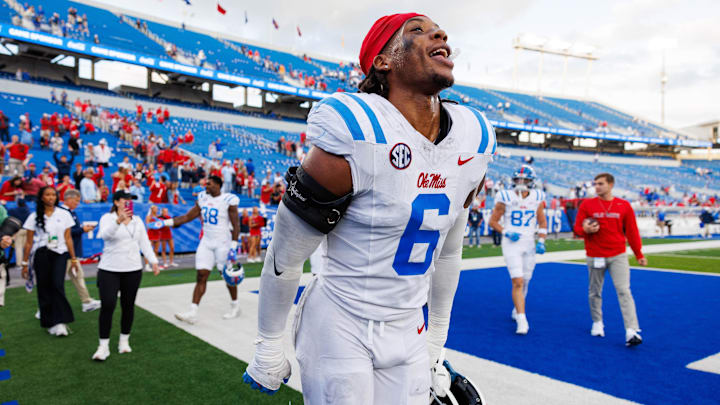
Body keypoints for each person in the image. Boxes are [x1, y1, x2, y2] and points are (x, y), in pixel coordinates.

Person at [243, 13, 495, 404]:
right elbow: (286, 254)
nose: (439, 33)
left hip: (409, 322)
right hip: (341, 321)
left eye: (438, 30)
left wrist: (436, 341)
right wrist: (269, 344)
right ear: (383, 60)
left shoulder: (471, 138)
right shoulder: (357, 131)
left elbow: (449, 252)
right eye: (417, 30)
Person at [152, 176, 241, 323]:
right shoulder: (203, 198)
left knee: (226, 275)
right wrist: (164, 223)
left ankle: (235, 305)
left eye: (209, 184)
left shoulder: (228, 200)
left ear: (218, 185)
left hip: (222, 242)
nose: (206, 186)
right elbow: (187, 217)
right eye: (206, 184)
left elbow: (236, 225)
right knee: (201, 275)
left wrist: (234, 246)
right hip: (206, 241)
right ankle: (192, 311)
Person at [573, 173, 645, 347]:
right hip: (595, 254)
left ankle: (631, 330)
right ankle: (597, 322)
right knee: (595, 291)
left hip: (618, 254)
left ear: (611, 185)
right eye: (595, 184)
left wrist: (639, 254)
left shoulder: (624, 205)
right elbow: (576, 228)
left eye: (601, 184)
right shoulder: (588, 204)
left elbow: (632, 231)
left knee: (624, 291)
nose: (597, 187)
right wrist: (585, 230)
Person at [92, 191, 159, 361]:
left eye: (131, 200)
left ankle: (124, 341)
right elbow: (105, 236)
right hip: (109, 269)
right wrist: (118, 221)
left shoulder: (138, 221)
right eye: (125, 200)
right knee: (108, 305)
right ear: (116, 202)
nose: (129, 203)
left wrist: (153, 261)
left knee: (128, 306)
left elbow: (144, 242)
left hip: (133, 269)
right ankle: (103, 346)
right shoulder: (107, 218)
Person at [488, 165, 547, 335]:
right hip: (511, 243)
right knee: (518, 281)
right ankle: (522, 318)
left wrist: (541, 240)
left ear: (531, 181)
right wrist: (506, 231)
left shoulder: (537, 197)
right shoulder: (504, 196)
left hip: (529, 243)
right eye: (518, 179)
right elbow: (493, 221)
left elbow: (542, 222)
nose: (521, 183)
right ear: (513, 180)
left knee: (526, 279)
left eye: (525, 180)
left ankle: (517, 308)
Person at [21, 186, 80, 336]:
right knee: (44, 287)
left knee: (57, 284)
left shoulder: (64, 214)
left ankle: (61, 322)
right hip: (41, 254)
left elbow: (68, 238)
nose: (51, 197)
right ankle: (49, 323)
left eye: (53, 195)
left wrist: (73, 258)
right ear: (42, 197)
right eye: (47, 195)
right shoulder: (33, 217)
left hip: (60, 253)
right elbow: (28, 242)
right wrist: (24, 263)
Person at [62, 189, 101, 312]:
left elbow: (72, 230)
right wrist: (82, 229)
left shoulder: (70, 212)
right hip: (65, 252)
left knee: (78, 276)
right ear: (68, 199)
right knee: (57, 281)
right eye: (76, 201)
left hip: (71, 251)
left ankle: (86, 301)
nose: (78, 203)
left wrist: (82, 229)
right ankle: (44, 307)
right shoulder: (63, 213)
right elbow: (65, 233)